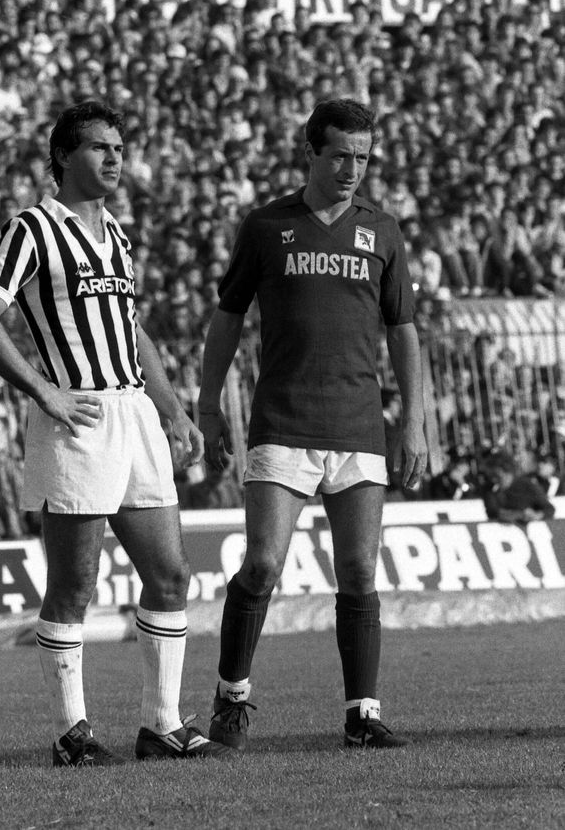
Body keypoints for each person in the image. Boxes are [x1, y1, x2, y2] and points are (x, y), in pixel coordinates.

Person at [0, 100, 232, 767]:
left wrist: (169, 407)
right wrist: (44, 389)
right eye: (100, 148)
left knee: (170, 573)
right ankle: (71, 734)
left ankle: (161, 725)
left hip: (133, 413)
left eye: (119, 147)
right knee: (75, 585)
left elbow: (130, 328)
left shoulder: (116, 232)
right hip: (74, 418)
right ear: (63, 157)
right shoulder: (33, 228)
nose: (116, 158)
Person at [198, 98, 427, 752]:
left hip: (358, 426)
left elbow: (404, 330)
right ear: (311, 153)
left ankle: (361, 714)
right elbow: (227, 318)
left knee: (358, 572)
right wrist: (208, 404)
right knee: (264, 564)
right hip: (283, 423)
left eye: (363, 157)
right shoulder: (268, 226)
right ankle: (232, 695)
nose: (353, 168)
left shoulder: (382, 231)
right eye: (341, 156)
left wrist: (412, 421)